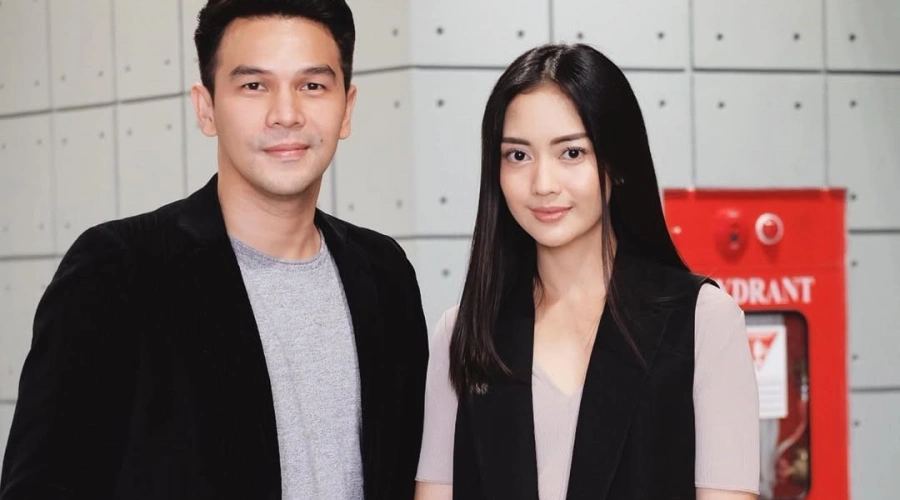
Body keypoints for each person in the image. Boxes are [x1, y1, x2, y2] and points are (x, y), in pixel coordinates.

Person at [0, 1, 428, 499]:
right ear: (206, 108)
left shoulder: (384, 272)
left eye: (312, 85)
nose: (286, 114)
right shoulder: (120, 269)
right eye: (254, 86)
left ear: (347, 108)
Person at [414, 43, 760, 500]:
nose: (543, 184)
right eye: (518, 156)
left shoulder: (703, 321)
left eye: (572, 153)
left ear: (616, 163)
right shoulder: (464, 333)